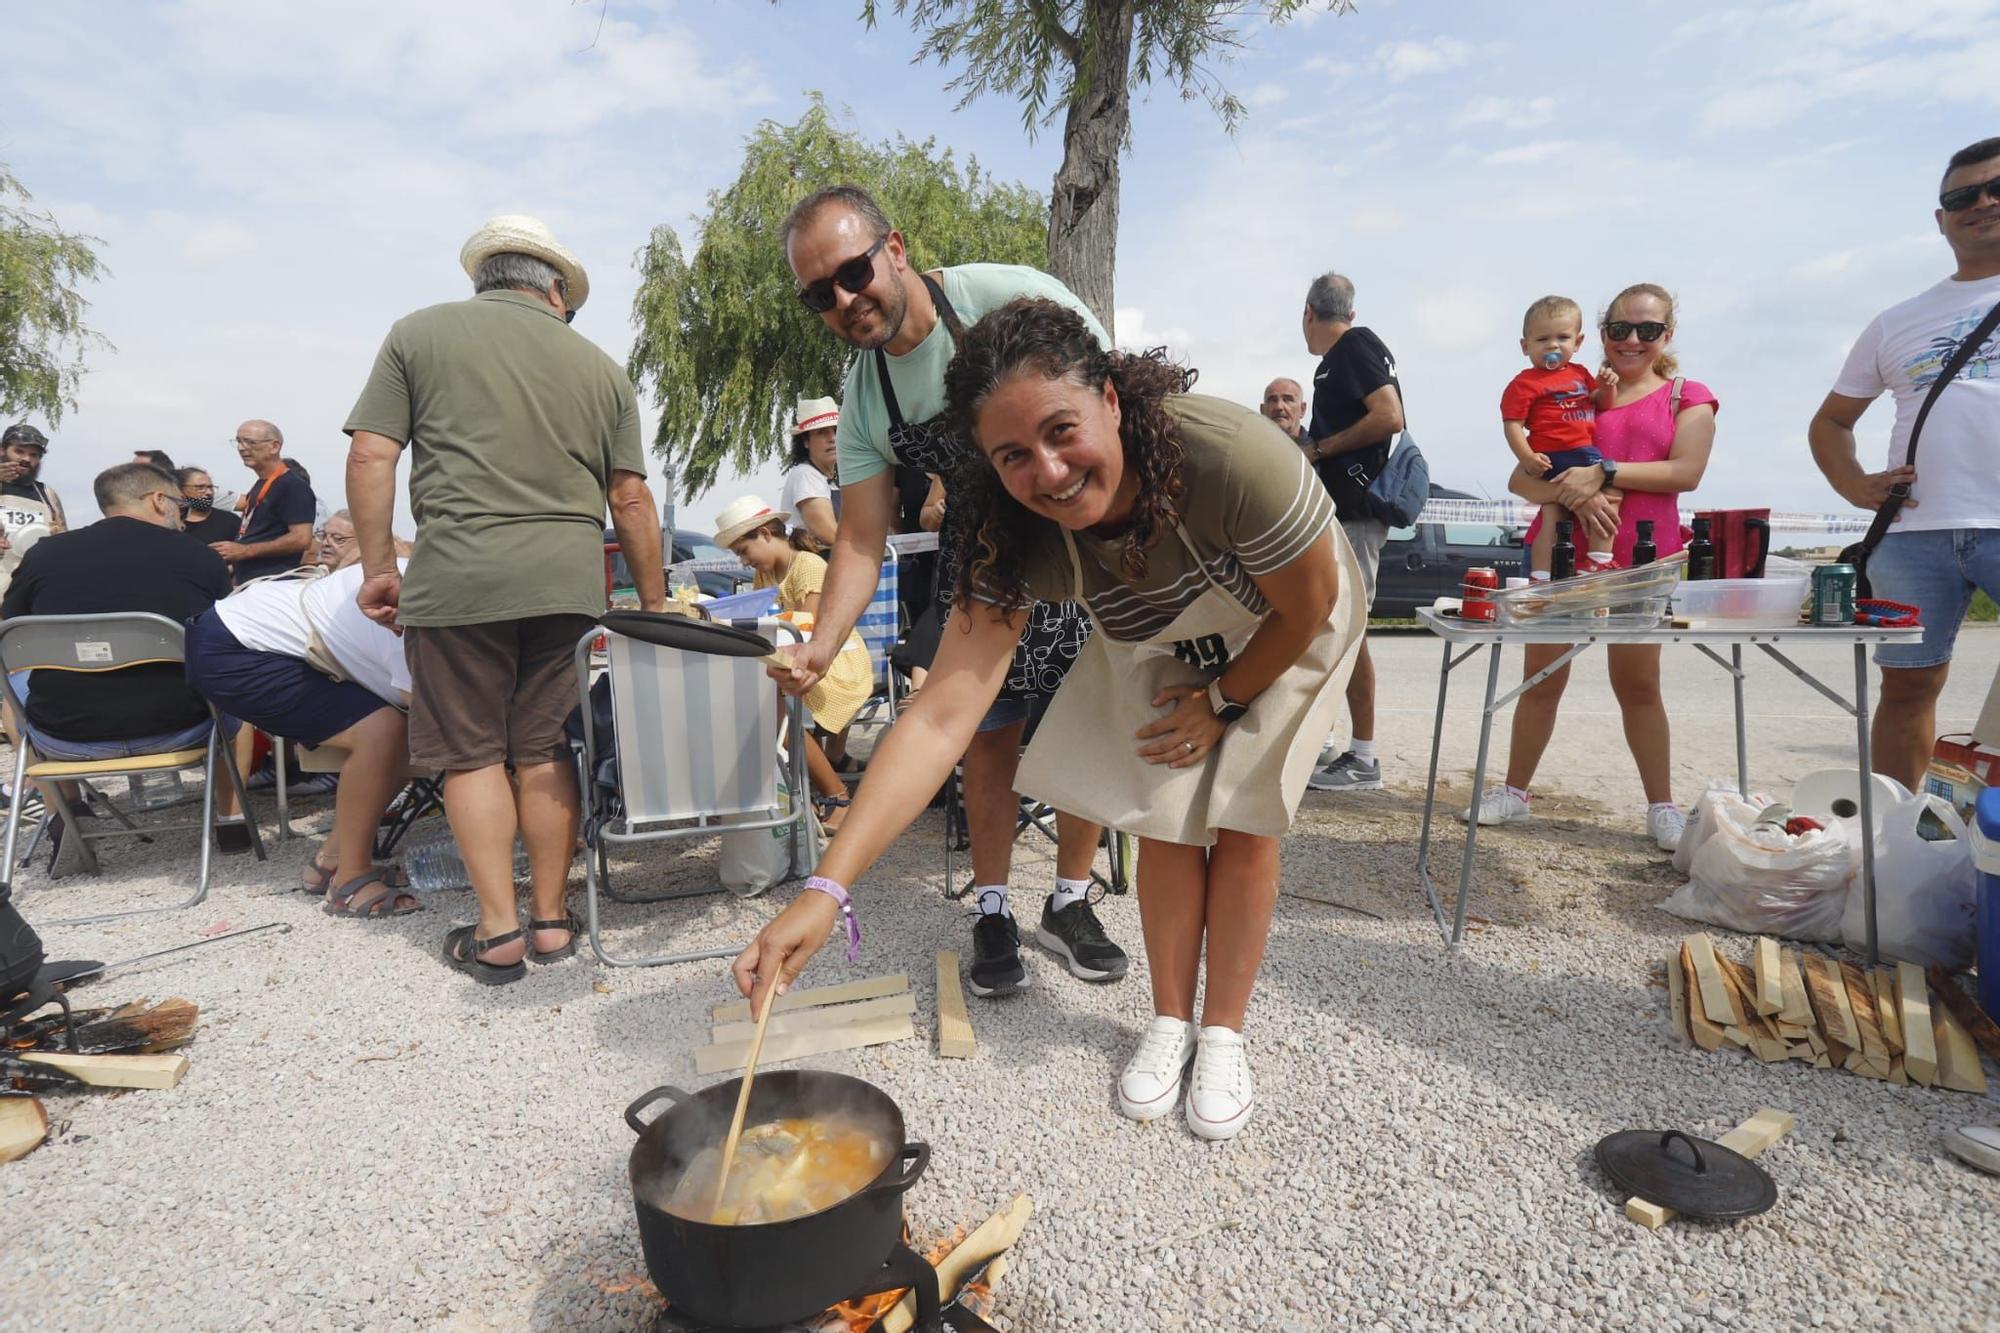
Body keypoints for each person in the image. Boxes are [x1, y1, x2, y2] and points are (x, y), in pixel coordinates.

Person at [736, 300, 1363, 1140]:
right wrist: (825, 887)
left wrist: (1220, 703)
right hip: (1163, 622)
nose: (1051, 472)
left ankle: (1223, 1033)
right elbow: (939, 716)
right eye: (1013, 456)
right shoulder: (1017, 532)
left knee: (1242, 816)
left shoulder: (1231, 456)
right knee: (1167, 812)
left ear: (1110, 397)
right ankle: (1170, 1018)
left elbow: (1309, 601)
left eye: (1062, 430)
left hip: (1285, 618)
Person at [775, 184, 1124, 997]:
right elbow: (860, 535)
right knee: (985, 732)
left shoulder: (1007, 296)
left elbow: (1114, 405)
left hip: (1071, 526)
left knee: (1091, 723)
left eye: (854, 271)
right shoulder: (864, 393)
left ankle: (1071, 899)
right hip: (988, 551)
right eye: (819, 294)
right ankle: (994, 904)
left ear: (894, 248)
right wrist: (822, 645)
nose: (845, 300)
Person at [345, 213, 667, 984]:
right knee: (544, 746)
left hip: (458, 575)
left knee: (470, 753)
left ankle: (497, 932)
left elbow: (370, 454)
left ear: (484, 276)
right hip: (564, 583)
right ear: (555, 289)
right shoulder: (599, 366)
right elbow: (630, 497)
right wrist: (653, 603)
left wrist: (379, 565)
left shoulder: (419, 334)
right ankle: (553, 921)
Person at [1466, 282, 1716, 850]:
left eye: (1647, 330)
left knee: (1639, 685)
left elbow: (1686, 472)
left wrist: (1599, 474)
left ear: (1667, 336)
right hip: (1561, 557)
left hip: (1640, 559)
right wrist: (1574, 492)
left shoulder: (1685, 395)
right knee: (1541, 679)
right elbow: (1518, 477)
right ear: (1599, 335)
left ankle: (1661, 806)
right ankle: (1515, 792)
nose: (1632, 339)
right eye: (1620, 328)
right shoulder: (1574, 390)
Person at [1808, 135, 2000, 795]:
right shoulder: (1898, 321)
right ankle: (1893, 846)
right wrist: (1852, 483)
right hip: (1914, 533)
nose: (1982, 202)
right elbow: (1831, 421)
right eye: (1962, 195)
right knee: (1908, 686)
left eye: (1996, 188)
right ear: (1940, 218)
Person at [185, 537, 419, 916]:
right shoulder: (410, 613)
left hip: (250, 629)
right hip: (239, 648)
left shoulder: (424, 583)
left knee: (400, 735)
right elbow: (435, 720)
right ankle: (350, 880)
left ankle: (329, 862)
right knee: (385, 732)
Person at [2, 463, 230, 747]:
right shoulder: (198, 554)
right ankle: (228, 793)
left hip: (62, 733)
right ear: (159, 500)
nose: (181, 514)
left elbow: (10, 630)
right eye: (179, 504)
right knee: (238, 688)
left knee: (13, 691)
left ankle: (64, 793)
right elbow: (228, 636)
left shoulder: (42, 554)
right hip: (184, 723)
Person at [1297, 272, 1403, 794]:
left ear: (1308, 314)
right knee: (1333, 628)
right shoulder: (1338, 360)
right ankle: (1331, 744)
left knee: (1348, 630)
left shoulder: (1355, 346)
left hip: (1358, 516)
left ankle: (1363, 758)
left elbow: (1389, 417)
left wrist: (1317, 449)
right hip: (1341, 515)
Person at [715, 496, 874, 832]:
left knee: (767, 701)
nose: (743, 562)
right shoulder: (768, 575)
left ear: (764, 534)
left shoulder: (808, 566)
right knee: (756, 691)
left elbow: (810, 630)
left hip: (836, 661)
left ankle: (837, 797)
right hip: (802, 657)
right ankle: (802, 788)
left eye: (743, 551)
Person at [1503, 295, 1620, 577]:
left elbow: (1602, 403)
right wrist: (1527, 458)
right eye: (1542, 339)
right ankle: (1599, 559)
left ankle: (1542, 576)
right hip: (1555, 454)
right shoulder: (1524, 383)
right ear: (1525, 346)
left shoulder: (1581, 374)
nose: (1553, 345)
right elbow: (1513, 425)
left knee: (1554, 514)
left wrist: (1606, 387)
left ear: (1577, 343)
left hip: (1580, 451)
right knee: (1612, 494)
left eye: (1563, 337)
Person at [213, 420, 316, 584]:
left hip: (272, 584)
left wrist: (245, 550)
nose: (242, 448)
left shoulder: (293, 486)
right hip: (250, 581)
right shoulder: (262, 484)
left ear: (274, 446)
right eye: (239, 441)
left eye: (250, 442)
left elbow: (302, 539)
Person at [0, 423, 68, 603]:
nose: (26, 459)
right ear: (2, 450)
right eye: (19, 451)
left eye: (34, 455)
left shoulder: (47, 494)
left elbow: (63, 538)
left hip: (33, 588)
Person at [780, 396, 843, 547]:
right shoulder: (806, 475)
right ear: (805, 441)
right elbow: (829, 534)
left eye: (836, 430)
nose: (832, 438)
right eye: (822, 432)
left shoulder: (828, 480)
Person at [176, 467, 242, 548]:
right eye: (200, 488)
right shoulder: (168, 522)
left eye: (211, 487)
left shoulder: (231, 521)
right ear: (180, 489)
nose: (209, 492)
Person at [1259, 377, 1308, 444]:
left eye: (1287, 400)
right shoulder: (1248, 450)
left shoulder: (1320, 450)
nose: (1279, 407)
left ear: (1302, 409)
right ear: (1262, 410)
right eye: (1273, 400)